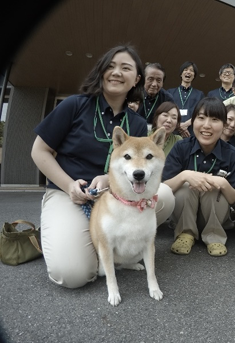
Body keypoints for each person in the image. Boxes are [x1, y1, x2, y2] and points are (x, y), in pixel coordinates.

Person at [30, 45, 175, 289]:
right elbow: (39, 151)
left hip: (113, 196)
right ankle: (65, 234)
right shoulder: (75, 105)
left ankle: (110, 244)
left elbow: (134, 167)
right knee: (73, 274)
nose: (117, 72)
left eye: (125, 68)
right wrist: (68, 185)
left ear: (136, 79)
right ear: (101, 71)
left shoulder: (137, 123)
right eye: (111, 66)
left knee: (167, 197)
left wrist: (108, 180)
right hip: (68, 194)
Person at [162, 97, 235, 257]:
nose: (206, 125)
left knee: (214, 187)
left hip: (216, 217)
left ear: (223, 125)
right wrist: (185, 175)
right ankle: (185, 234)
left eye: (214, 119)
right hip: (182, 216)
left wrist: (223, 183)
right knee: (185, 185)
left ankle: (214, 236)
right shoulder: (181, 147)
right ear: (193, 121)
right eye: (201, 118)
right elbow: (164, 187)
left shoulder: (232, 155)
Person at [166, 61, 205, 136]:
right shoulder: (170, 92)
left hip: (191, 132)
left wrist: (186, 125)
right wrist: (178, 125)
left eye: (191, 70)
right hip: (173, 130)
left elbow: (201, 112)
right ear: (181, 74)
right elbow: (166, 111)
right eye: (186, 70)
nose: (188, 72)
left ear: (194, 76)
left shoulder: (199, 94)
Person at [137, 63, 175, 128]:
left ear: (162, 83)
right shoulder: (134, 94)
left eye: (158, 80)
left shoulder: (167, 99)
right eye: (150, 79)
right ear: (143, 79)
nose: (154, 84)